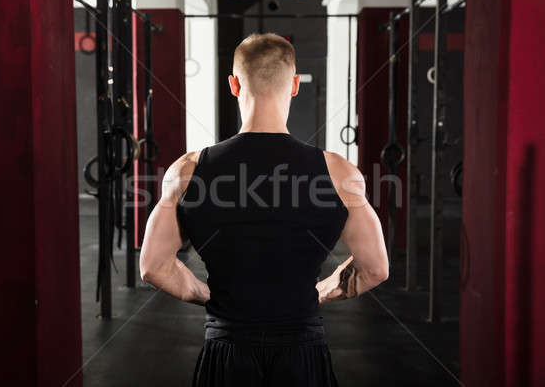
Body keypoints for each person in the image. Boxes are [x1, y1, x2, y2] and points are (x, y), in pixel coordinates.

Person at [139, 33, 389, 387]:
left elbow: (153, 266)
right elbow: (376, 269)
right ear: (296, 85)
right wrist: (313, 293)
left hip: (227, 349)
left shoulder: (188, 170)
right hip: (302, 349)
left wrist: (211, 295)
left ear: (234, 85)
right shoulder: (338, 173)